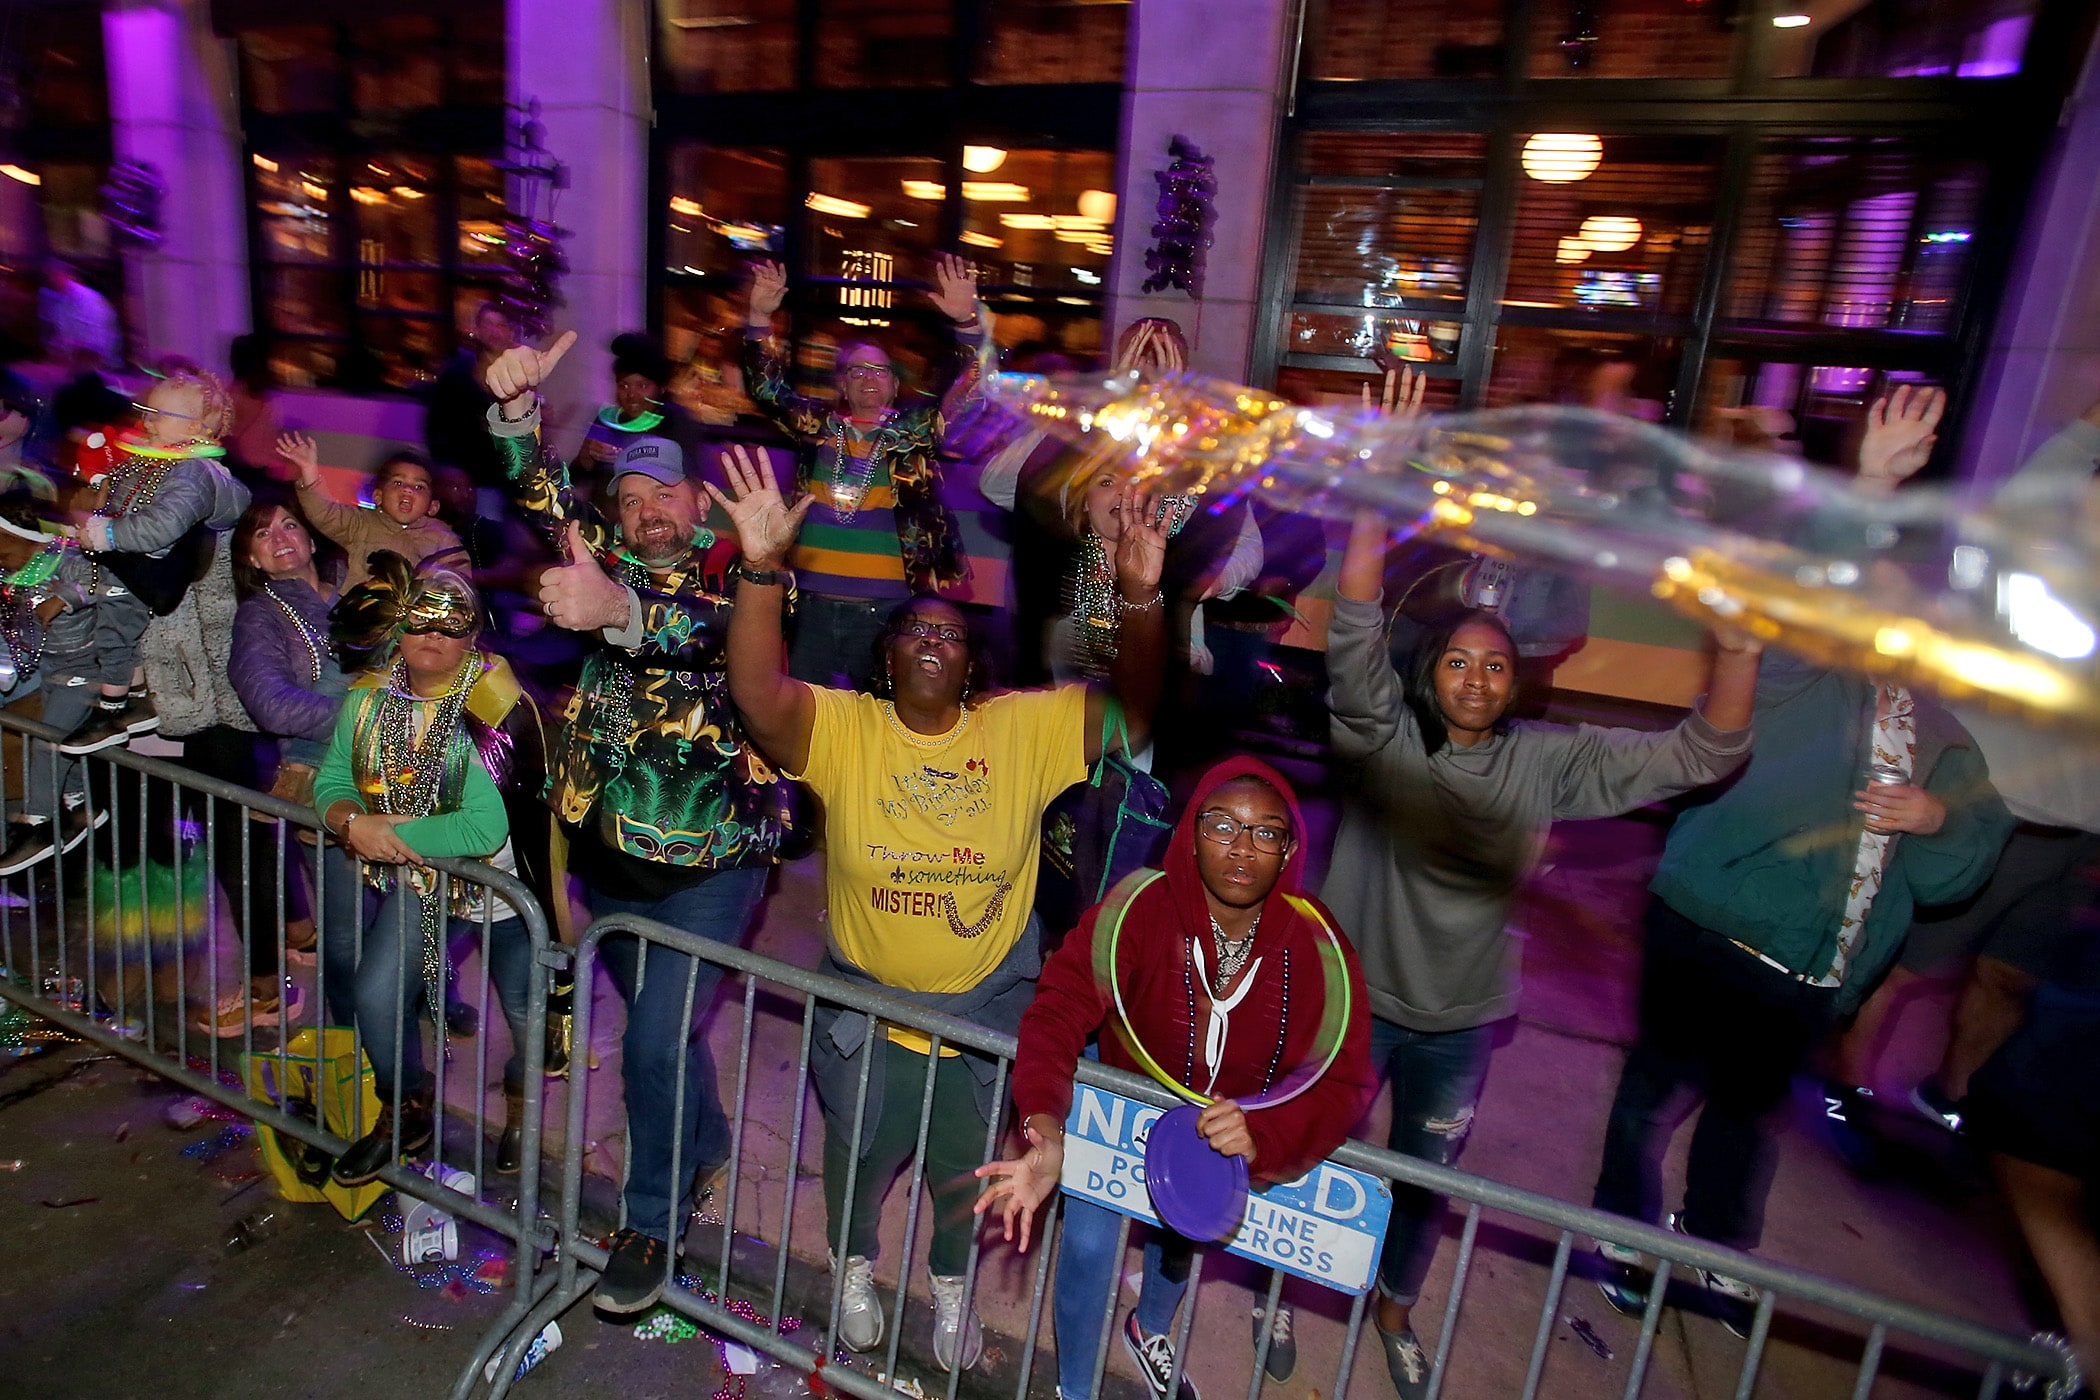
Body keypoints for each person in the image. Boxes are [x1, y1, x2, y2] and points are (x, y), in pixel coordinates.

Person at [708, 440, 1166, 1373]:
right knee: (860, 1153)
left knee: (965, 1169)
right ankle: (853, 1265)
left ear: (971, 663)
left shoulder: (1022, 727)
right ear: (885, 655)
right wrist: (759, 570)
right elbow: (756, 696)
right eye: (913, 629)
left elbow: (1136, 712)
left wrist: (1141, 598)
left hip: (981, 1014)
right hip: (867, 1009)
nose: (931, 640)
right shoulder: (848, 727)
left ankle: (952, 1285)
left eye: (951, 634)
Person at [1322, 507, 1763, 1397]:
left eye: (1495, 665)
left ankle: (1395, 1311)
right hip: (1353, 1006)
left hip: (1460, 1026)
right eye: (1457, 661)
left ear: (1517, 682)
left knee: (1425, 1181)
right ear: (1426, 670)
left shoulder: (1545, 764)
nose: (1476, 678)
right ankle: (1292, 1290)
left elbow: (1702, 752)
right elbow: (1356, 625)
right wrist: (1370, 502)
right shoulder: (1380, 738)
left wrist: (1739, 651)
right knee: (1317, 1152)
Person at [481, 332, 802, 1315]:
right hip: (610, 857)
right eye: (628, 499)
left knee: (653, 1042)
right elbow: (540, 496)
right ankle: (705, 1142)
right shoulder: (603, 557)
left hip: (717, 862)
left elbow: (707, 632)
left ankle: (649, 1221)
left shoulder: (748, 576)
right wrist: (516, 415)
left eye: (664, 493)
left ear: (699, 503)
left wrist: (615, 610)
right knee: (668, 1037)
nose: (647, 510)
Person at [1587, 645, 2013, 1336]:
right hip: (1708, 930)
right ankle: (1620, 1227)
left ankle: (1713, 1238)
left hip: (1813, 967)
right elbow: (1743, 655)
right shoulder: (1797, 670)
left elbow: (1950, 879)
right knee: (1654, 1088)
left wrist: (1937, 820)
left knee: (1748, 1113)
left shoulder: (1943, 736)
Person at [976, 758, 1376, 1400]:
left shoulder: (1318, 949)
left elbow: (1345, 1082)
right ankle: (1074, 1388)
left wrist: (1265, 1138)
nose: (1242, 847)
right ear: (1191, 835)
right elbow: (1057, 1007)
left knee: (1185, 1236)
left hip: (1220, 1135)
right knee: (1087, 1247)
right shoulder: (1137, 910)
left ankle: (1150, 1326)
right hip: (1122, 1111)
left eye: (1265, 832)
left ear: (1288, 851)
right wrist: (1043, 1126)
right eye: (1222, 825)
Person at [313, 558, 560, 1183]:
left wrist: (382, 834)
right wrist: (349, 821)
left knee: (526, 1017)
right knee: (375, 994)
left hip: (508, 893)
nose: (432, 635)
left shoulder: (492, 706)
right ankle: (405, 1109)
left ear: (472, 635)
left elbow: (483, 828)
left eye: (451, 625)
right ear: (397, 623)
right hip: (428, 884)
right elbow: (334, 779)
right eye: (420, 620)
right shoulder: (370, 699)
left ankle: (522, 1111)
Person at [741, 255, 989, 689]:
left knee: (880, 715)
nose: (868, 377)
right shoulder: (817, 427)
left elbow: (971, 394)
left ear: (895, 385)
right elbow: (766, 390)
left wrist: (968, 322)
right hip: (812, 605)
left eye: (880, 370)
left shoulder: (914, 431)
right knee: (806, 713)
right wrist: (760, 318)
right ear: (842, 383)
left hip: (887, 611)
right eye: (857, 370)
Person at [63, 366, 250, 754]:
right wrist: (97, 495)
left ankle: (111, 710)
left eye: (157, 415)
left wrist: (107, 533)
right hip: (137, 577)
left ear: (194, 427)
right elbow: (122, 500)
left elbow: (162, 525)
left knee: (114, 635)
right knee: (118, 633)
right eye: (145, 412)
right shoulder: (155, 463)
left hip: (159, 587)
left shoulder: (193, 473)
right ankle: (132, 702)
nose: (146, 423)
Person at [225, 498, 350, 990]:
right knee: (348, 930)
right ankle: (353, 1025)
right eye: (263, 534)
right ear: (252, 559)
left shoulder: (360, 592)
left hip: (401, 771)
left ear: (312, 539)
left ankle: (436, 1000)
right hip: (330, 781)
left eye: (290, 524)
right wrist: (366, 722)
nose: (279, 538)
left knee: (419, 908)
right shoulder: (260, 615)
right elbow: (272, 705)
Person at [0, 487, 117, 874]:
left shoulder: (63, 557)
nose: (3, 562)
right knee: (58, 737)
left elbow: (99, 580)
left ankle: (39, 823)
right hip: (52, 668)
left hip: (86, 669)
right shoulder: (14, 574)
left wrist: (64, 598)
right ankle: (81, 803)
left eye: (5, 552)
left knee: (48, 742)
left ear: (26, 539)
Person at [279, 435, 464, 590]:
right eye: (398, 483)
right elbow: (325, 513)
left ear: (433, 506)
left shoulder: (442, 537)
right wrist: (309, 471)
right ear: (378, 496)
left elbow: (460, 581)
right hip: (363, 615)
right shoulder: (361, 523)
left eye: (419, 487)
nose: (407, 490)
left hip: (417, 617)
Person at [572, 332, 708, 507]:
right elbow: (574, 479)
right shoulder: (608, 421)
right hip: (605, 517)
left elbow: (692, 483)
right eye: (623, 385)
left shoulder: (677, 422)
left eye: (642, 386)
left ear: (661, 388)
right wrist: (586, 458)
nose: (631, 395)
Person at [427, 301, 521, 515]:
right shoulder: (456, 374)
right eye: (488, 325)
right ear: (477, 330)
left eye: (501, 325)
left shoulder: (521, 376)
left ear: (510, 331)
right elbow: (436, 426)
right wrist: (447, 468)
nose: (494, 332)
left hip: (507, 484)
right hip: (467, 482)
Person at [40, 259, 119, 370]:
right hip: (76, 363)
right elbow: (63, 334)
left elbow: (97, 341)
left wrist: (69, 347)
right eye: (49, 277)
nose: (51, 281)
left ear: (64, 275)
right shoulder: (62, 301)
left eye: (53, 276)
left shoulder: (88, 299)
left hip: (95, 365)